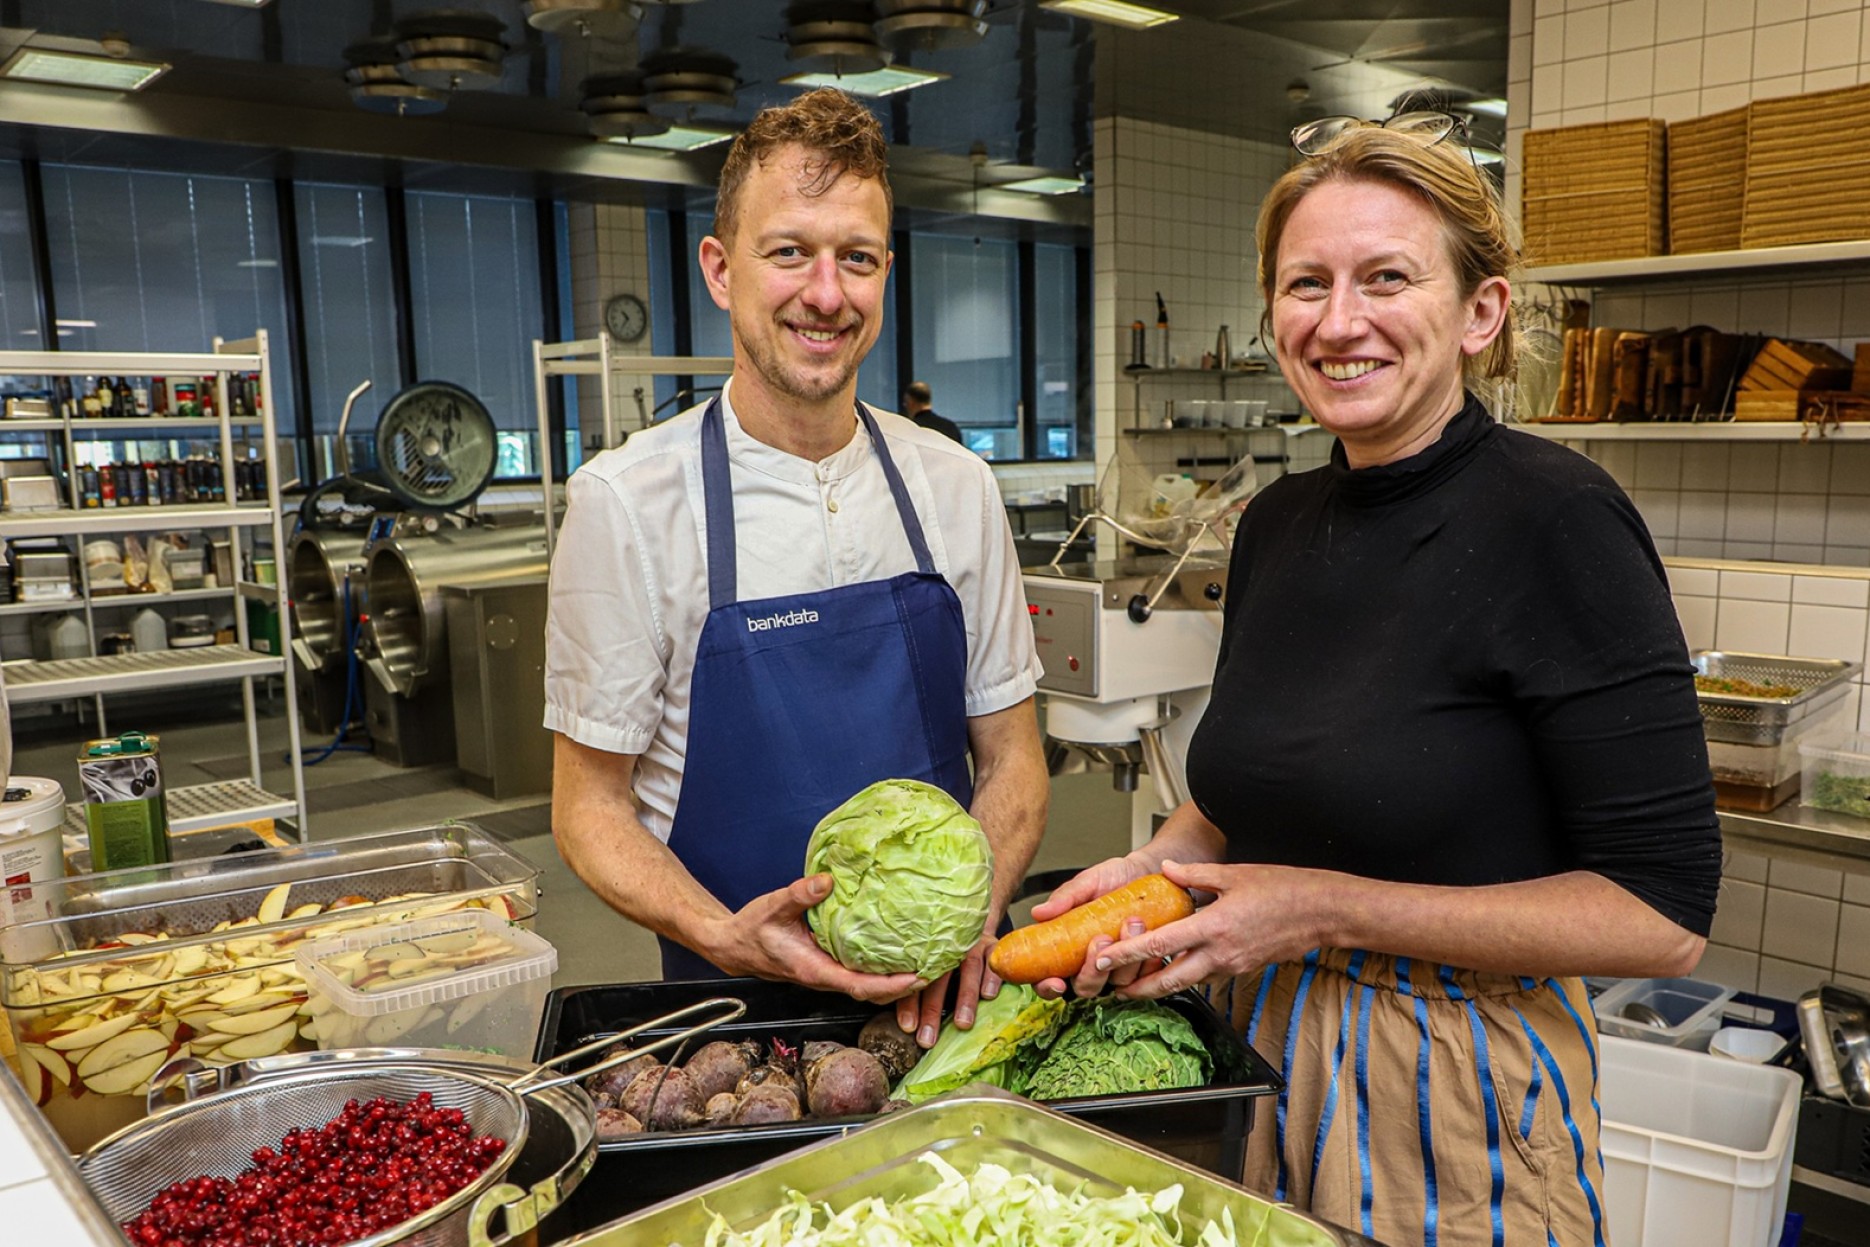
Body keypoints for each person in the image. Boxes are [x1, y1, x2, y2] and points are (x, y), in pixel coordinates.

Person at [1028, 117, 1721, 1247]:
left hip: (1453, 1083)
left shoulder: (1559, 520)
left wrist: (1321, 908)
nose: (1339, 320)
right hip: (1251, 1047)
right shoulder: (1275, 523)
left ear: (1480, 313)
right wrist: (1153, 870)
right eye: (1306, 283)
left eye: (1387, 278)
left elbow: (1663, 917)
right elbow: (1254, 789)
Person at [544, 88, 1049, 1049]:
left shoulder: (956, 486)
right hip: (734, 1031)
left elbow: (1014, 760)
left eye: (856, 257)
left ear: (886, 272)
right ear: (720, 269)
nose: (826, 293)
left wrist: (964, 918)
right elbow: (589, 808)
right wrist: (719, 933)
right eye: (789, 252)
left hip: (946, 1014)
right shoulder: (627, 504)